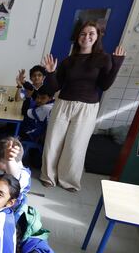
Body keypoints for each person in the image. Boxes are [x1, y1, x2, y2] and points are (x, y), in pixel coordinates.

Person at [40, 21, 125, 191]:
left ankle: (69, 180)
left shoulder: (104, 59)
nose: (86, 37)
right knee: (53, 141)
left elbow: (105, 85)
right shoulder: (68, 61)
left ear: (97, 37)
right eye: (83, 34)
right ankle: (48, 176)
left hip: (87, 108)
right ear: (77, 37)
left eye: (91, 33)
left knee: (76, 145)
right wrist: (50, 73)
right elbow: (55, 87)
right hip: (63, 104)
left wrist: (116, 64)